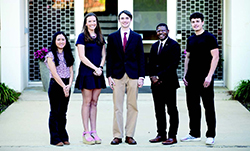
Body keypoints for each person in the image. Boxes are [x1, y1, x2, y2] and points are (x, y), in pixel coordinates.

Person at [106, 10, 145, 145]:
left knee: (132, 105)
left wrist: (141, 76)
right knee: (118, 106)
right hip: (117, 75)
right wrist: (109, 76)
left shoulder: (136, 37)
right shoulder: (112, 37)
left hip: (133, 74)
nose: (124, 20)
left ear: (130, 20)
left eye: (127, 18)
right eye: (122, 18)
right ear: (119, 20)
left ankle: (129, 135)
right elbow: (109, 58)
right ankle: (117, 135)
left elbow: (141, 57)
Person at [180, 12, 219, 145]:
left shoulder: (210, 38)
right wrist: (185, 74)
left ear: (202, 22)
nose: (195, 24)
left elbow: (215, 57)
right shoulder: (190, 39)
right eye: (193, 22)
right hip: (191, 78)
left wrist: (209, 76)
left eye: (197, 21)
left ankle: (211, 135)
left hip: (205, 78)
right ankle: (194, 133)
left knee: (208, 106)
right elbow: (188, 57)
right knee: (192, 106)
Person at [75, 12, 106, 145]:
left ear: (96, 22)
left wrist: (100, 67)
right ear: (86, 23)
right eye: (89, 21)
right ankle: (86, 132)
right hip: (87, 72)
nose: (92, 23)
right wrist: (95, 68)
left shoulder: (100, 36)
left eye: (94, 21)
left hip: (98, 72)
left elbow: (104, 54)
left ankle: (94, 131)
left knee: (94, 102)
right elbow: (82, 56)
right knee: (87, 102)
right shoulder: (82, 37)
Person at [148, 23, 181, 145]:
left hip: (169, 83)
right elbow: (150, 63)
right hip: (156, 85)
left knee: (172, 110)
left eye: (163, 30)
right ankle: (161, 134)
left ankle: (172, 136)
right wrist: (152, 76)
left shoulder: (174, 45)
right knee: (159, 110)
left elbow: (173, 65)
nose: (160, 32)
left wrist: (159, 76)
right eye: (158, 31)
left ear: (168, 31)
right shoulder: (154, 46)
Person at [45, 31, 74, 146]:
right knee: (55, 112)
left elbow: (71, 71)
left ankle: (63, 136)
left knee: (63, 112)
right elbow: (54, 73)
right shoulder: (50, 55)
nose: (61, 42)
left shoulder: (68, 54)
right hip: (56, 85)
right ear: (55, 41)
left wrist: (69, 85)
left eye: (63, 39)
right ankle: (55, 138)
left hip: (67, 84)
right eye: (58, 40)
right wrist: (63, 87)